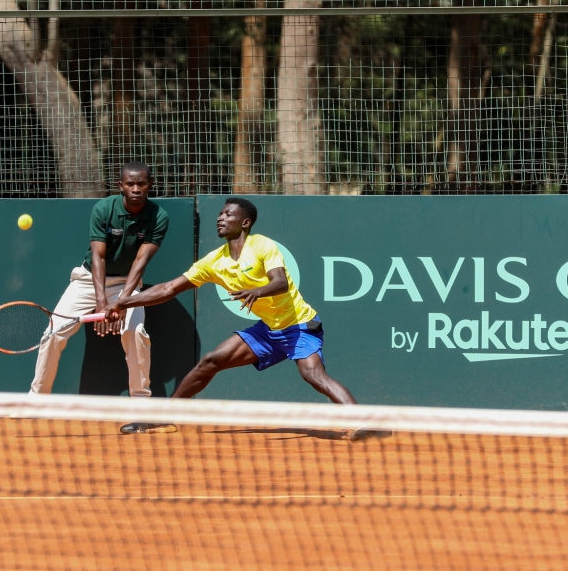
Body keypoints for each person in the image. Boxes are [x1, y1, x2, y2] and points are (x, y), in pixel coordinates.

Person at [107, 197, 373, 438]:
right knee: (211, 361)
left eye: (228, 214)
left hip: (299, 326)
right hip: (268, 330)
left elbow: (281, 283)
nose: (220, 218)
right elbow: (169, 289)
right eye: (220, 214)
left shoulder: (262, 245)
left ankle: (362, 422)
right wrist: (123, 301)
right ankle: (165, 418)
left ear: (245, 222)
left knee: (313, 375)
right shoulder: (215, 261)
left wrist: (258, 291)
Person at [29, 162, 168, 398]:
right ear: (120, 186)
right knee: (54, 332)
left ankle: (141, 402)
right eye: (130, 184)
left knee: (135, 332)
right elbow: (98, 257)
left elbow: (139, 262)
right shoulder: (104, 209)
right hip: (89, 280)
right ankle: (37, 399)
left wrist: (122, 302)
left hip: (127, 283)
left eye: (141, 183)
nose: (136, 189)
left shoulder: (159, 216)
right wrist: (102, 302)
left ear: (150, 185)